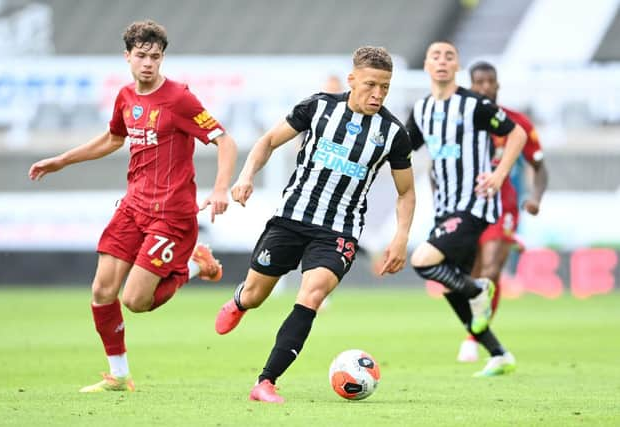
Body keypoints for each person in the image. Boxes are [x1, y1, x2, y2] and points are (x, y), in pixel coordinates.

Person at [28, 20, 237, 392]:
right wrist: (61, 160)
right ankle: (119, 375)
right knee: (101, 291)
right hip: (132, 207)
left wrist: (221, 188)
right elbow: (113, 138)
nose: (148, 64)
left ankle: (192, 266)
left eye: (155, 57)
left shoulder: (179, 100)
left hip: (171, 215)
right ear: (127, 56)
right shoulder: (125, 96)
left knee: (136, 301)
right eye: (141, 56)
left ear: (162, 59)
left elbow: (225, 141)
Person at [215, 46, 416, 403]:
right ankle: (240, 302)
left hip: (339, 230)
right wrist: (245, 176)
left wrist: (400, 238)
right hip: (291, 219)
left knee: (312, 293)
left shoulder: (392, 133)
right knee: (256, 293)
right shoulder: (318, 107)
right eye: (371, 84)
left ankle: (266, 382)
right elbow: (268, 141)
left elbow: (406, 192)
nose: (378, 94)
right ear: (352, 79)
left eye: (385, 87)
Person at [406, 41, 526, 377]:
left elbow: (516, 134)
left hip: (474, 204)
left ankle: (478, 289)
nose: (442, 62)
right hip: (445, 207)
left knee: (424, 260)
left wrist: (500, 174)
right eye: (435, 56)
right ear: (427, 66)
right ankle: (498, 353)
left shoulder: (474, 105)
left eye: (449, 56)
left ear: (456, 66)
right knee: (448, 281)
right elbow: (402, 149)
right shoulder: (421, 110)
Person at [456, 61, 548, 362]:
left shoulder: (516, 122)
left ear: (497, 85)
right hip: (467, 203)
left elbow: (539, 166)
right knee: (472, 274)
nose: (484, 87)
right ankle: (476, 327)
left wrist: (534, 197)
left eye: (489, 82)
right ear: (471, 86)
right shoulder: (459, 121)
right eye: (478, 82)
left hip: (503, 205)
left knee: (492, 271)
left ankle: (473, 337)